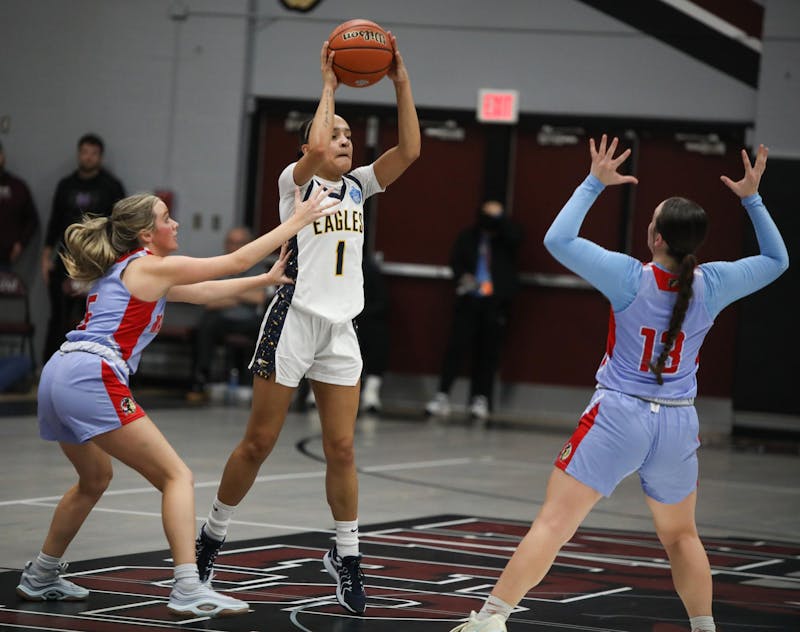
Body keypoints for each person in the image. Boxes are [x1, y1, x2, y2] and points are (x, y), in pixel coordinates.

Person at [448, 136, 788, 632]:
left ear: (655, 238)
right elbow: (777, 260)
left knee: (554, 524)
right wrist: (753, 199)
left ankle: (492, 619)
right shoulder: (714, 284)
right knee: (681, 537)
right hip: (677, 423)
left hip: (619, 416)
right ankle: (703, 628)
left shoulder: (631, 277)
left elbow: (558, 240)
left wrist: (592, 183)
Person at [16, 187, 337, 617]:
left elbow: (205, 292)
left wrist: (263, 280)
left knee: (94, 479)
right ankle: (187, 586)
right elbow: (233, 261)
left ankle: (40, 574)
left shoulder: (132, 270)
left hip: (60, 371)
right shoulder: (152, 266)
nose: (175, 224)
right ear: (147, 235)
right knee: (176, 477)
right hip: (91, 375)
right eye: (167, 218)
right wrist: (297, 222)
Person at [195, 36, 420, 616]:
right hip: (292, 320)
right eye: (335, 135)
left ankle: (345, 554)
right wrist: (329, 84)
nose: (343, 143)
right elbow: (317, 145)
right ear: (311, 147)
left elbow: (412, 151)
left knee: (342, 448)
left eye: (349, 137)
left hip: (340, 331)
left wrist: (399, 82)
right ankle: (210, 540)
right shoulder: (295, 184)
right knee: (259, 443)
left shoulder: (359, 187)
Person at [425, 199, 523, 421]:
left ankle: (481, 398)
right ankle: (442, 395)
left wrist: (501, 218)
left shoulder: (505, 239)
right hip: (469, 299)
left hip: (495, 302)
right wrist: (463, 278)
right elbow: (456, 263)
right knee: (456, 348)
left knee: (488, 352)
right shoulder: (468, 237)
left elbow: (516, 238)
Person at [41, 133, 126, 362]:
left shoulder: (111, 187)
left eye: (93, 153)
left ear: (100, 157)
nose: (88, 158)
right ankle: (50, 364)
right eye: (84, 152)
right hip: (66, 259)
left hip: (97, 261)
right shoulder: (66, 185)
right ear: (79, 154)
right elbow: (55, 221)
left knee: (91, 316)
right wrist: (46, 255)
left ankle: (86, 364)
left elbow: (119, 227)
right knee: (59, 315)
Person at [187, 226, 268, 400]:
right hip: (221, 318)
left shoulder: (258, 267)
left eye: (240, 243)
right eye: (231, 242)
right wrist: (243, 292)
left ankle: (255, 384)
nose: (235, 246)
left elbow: (260, 298)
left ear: (249, 244)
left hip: (250, 320)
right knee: (204, 325)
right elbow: (208, 302)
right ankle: (200, 381)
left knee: (266, 329)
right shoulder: (217, 265)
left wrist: (226, 292)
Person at [357, 252, 390, 413]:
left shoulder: (369, 269)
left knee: (378, 336)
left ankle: (371, 391)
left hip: (363, 318)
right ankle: (316, 392)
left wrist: (358, 313)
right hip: (336, 319)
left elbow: (382, 302)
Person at [0, 141, 40, 270]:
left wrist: (20, 244)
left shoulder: (17, 187)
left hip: (4, 259)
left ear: (2, 157)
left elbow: (32, 219)